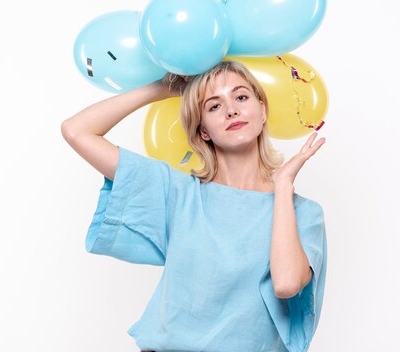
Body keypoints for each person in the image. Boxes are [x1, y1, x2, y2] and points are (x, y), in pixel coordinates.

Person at [61, 60, 327, 352]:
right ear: (203, 131)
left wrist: (284, 186)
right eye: (214, 106)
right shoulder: (178, 192)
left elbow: (286, 284)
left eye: (240, 97)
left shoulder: (303, 212)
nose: (231, 110)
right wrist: (160, 89)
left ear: (262, 110)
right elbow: (76, 131)